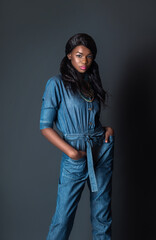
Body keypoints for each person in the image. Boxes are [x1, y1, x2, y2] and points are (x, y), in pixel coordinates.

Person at [40, 33, 115, 240]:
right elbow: (45, 126)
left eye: (89, 56)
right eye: (79, 55)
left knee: (102, 215)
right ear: (69, 56)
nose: (84, 61)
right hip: (76, 152)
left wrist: (107, 129)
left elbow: (92, 120)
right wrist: (71, 151)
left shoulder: (91, 83)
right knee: (63, 219)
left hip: (102, 147)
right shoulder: (55, 84)